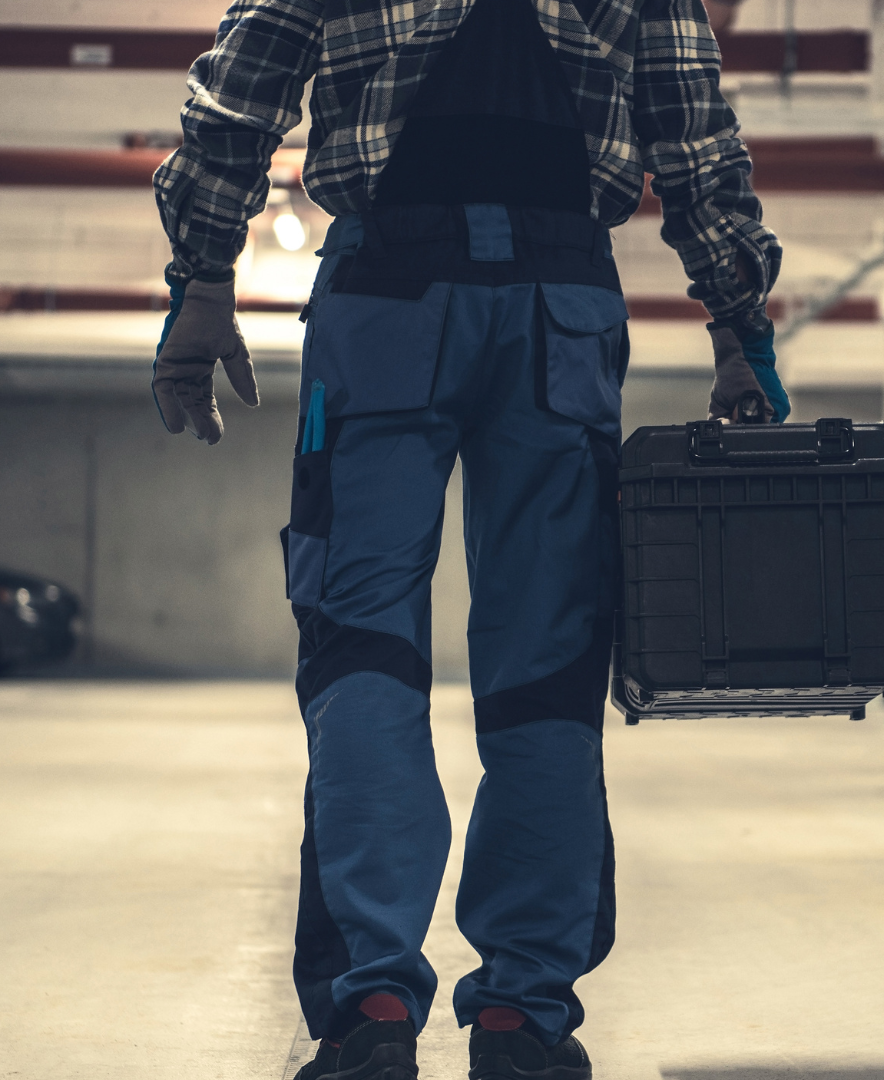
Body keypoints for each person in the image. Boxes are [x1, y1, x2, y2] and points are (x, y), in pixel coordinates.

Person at [149, 0, 785, 1077]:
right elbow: (691, 129)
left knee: (362, 649)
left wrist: (204, 277)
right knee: (549, 666)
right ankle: (521, 1017)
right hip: (561, 307)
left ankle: (372, 1011)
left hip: (388, 298)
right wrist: (739, 326)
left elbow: (239, 91)